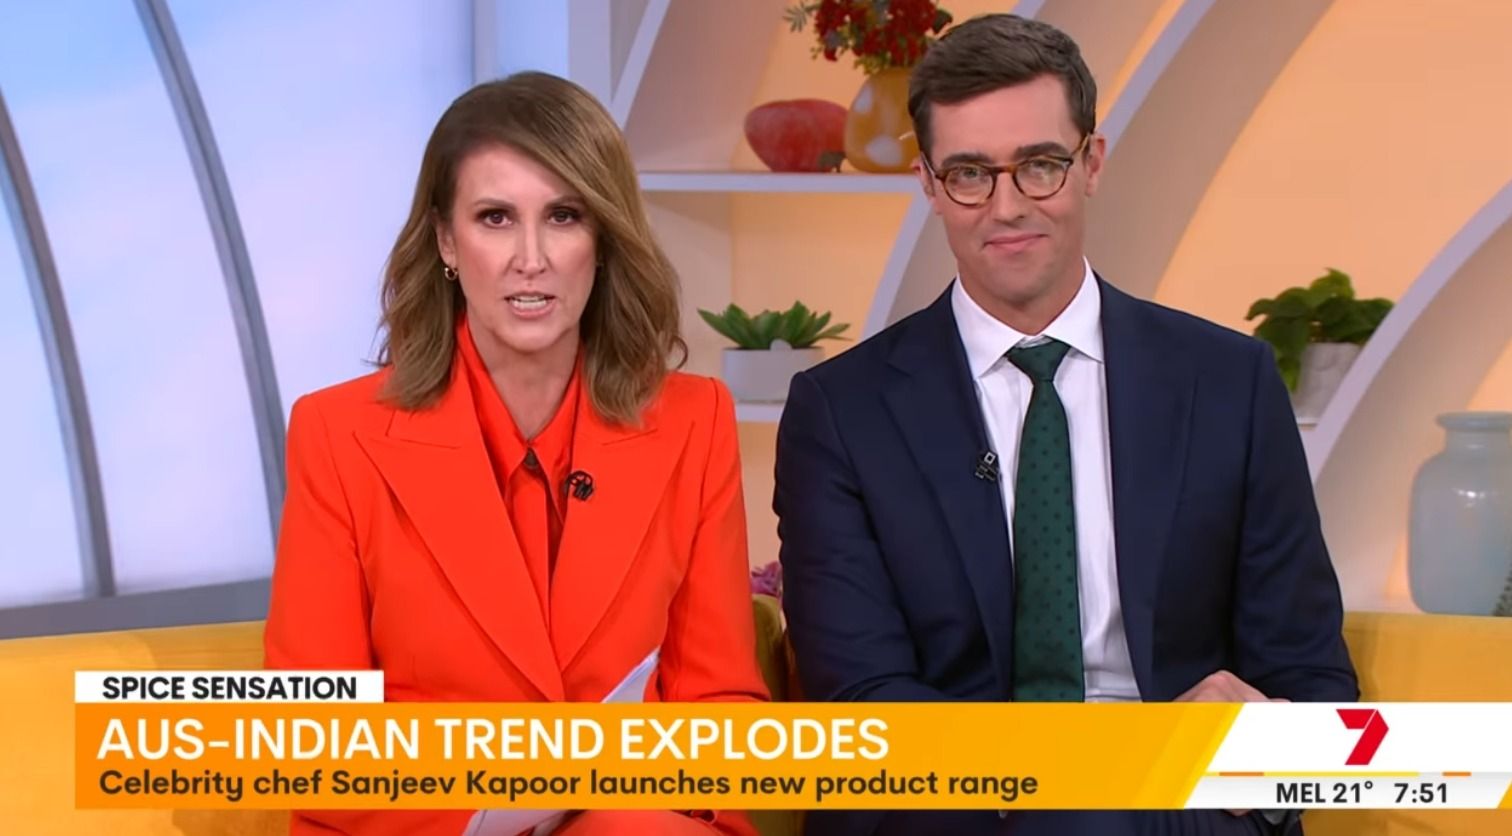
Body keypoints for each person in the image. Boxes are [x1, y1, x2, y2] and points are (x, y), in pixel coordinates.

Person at [774, 14, 1357, 836]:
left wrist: (1259, 735)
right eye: (970, 174)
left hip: (1177, 808)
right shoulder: (841, 411)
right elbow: (861, 700)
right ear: (928, 185)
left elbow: (1309, 676)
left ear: (1092, 164)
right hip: (957, 808)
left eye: (1040, 166)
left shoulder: (1229, 381)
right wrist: (1079, 763)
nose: (1007, 207)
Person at [265, 72, 767, 836]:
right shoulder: (337, 434)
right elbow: (310, 740)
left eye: (563, 216)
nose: (530, 258)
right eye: (495, 218)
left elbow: (721, 702)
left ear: (602, 239)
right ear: (446, 240)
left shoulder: (694, 422)